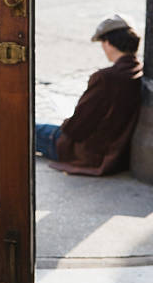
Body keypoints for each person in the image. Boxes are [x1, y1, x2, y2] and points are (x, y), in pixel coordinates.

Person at [36, 13, 143, 176]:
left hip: (87, 151)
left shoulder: (105, 78)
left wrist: (67, 123)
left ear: (108, 43)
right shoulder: (140, 71)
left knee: (23, 126)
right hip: (116, 150)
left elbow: (75, 128)